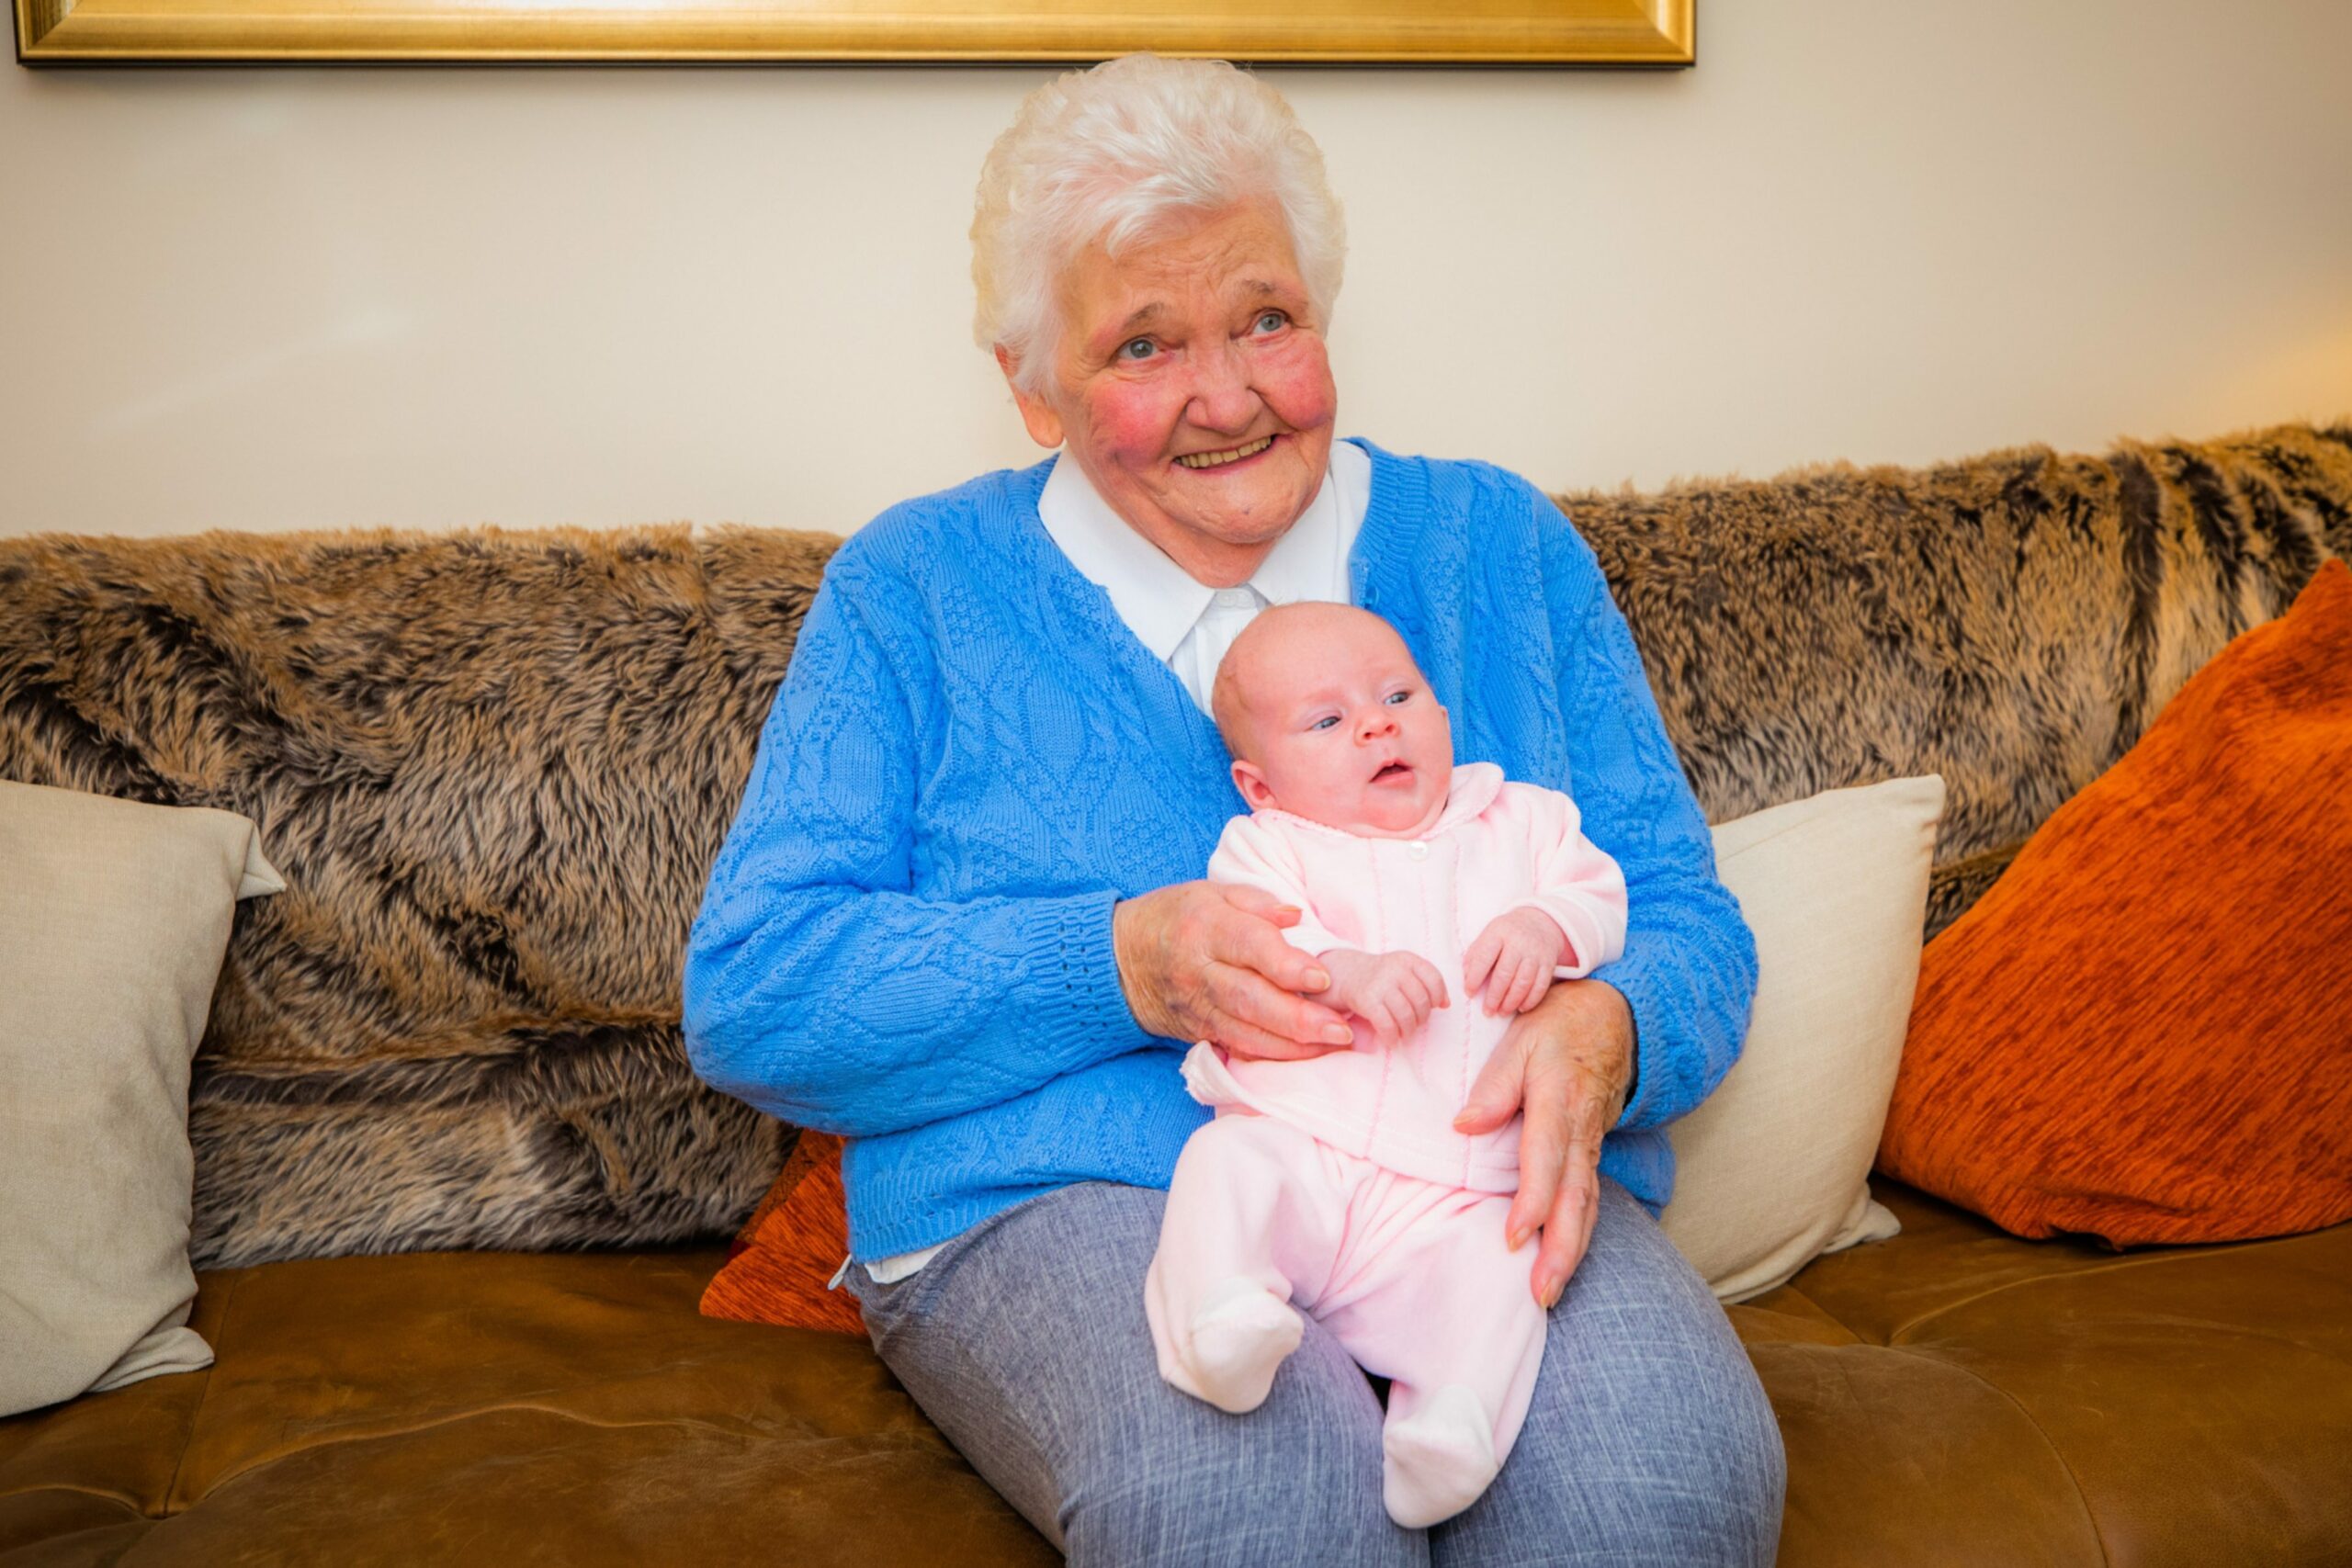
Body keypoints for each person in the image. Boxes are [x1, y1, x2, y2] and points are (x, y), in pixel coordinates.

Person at [683, 52, 1784, 1566]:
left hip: (1474, 1184)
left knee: (1664, 1493)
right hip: (1069, 1189)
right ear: (1028, 382)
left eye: (1266, 319)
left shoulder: (1495, 548)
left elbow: (1684, 920)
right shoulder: (917, 589)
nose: (1226, 396)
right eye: (1142, 343)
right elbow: (757, 993)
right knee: (1259, 1511)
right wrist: (1121, 962)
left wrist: (1616, 1029)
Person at [1146, 602, 1629, 1529]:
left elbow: (1598, 896)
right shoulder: (1267, 847)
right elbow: (1252, 945)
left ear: (1443, 717)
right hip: (1303, 1145)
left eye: (1397, 695)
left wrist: (1546, 925)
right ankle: (1219, 1318)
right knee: (1221, 1169)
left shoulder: (1522, 822)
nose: (1375, 723)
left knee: (1507, 1272)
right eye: (1326, 722)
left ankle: (1448, 1428)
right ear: (1259, 783)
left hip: (1456, 1186)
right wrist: (1345, 973)